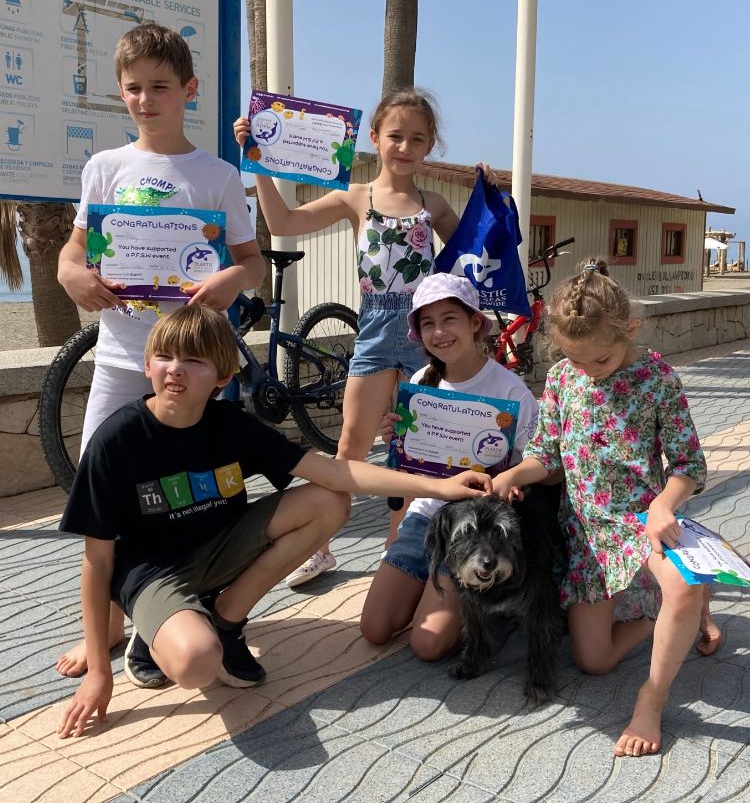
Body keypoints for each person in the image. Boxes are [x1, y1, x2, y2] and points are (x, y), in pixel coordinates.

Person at [56, 304, 492, 739]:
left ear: (223, 377)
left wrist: (440, 486)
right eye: (166, 357)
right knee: (195, 663)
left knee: (329, 501)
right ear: (147, 363)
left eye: (194, 361)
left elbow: (335, 472)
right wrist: (99, 671)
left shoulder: (230, 424)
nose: (176, 371)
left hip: (220, 548)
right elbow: (96, 563)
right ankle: (159, 631)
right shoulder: (117, 440)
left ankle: (225, 619)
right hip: (154, 572)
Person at [55, 21, 264, 679]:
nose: (146, 99)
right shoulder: (104, 168)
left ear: (189, 91)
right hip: (121, 359)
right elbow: (74, 249)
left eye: (161, 87)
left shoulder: (218, 175)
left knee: (201, 490)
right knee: (101, 489)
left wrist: (225, 282)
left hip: (199, 363)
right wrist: (70, 274)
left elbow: (251, 263)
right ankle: (107, 628)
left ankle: (198, 609)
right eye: (134, 89)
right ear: (121, 93)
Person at [234, 89, 498, 587]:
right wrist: (259, 167)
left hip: (427, 334)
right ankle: (319, 546)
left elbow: (476, 253)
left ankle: (398, 550)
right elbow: (285, 223)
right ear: (375, 138)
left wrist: (487, 194)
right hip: (376, 330)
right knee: (350, 446)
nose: (405, 146)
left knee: (415, 444)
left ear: (430, 145)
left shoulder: (433, 203)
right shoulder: (357, 197)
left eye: (418, 138)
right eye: (395, 136)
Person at [492, 259, 722, 758]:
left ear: (630, 330)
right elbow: (547, 454)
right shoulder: (561, 378)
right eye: (575, 360)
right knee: (594, 661)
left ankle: (652, 698)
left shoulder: (657, 376)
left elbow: (689, 464)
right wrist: (513, 474)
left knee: (679, 587)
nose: (587, 371)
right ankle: (674, 609)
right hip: (587, 535)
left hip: (645, 520)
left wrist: (664, 504)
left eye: (598, 361)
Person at [358, 273, 541, 660]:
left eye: (449, 319)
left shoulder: (511, 392)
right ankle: (438, 590)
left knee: (428, 645)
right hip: (425, 518)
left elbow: (535, 462)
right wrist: (396, 437)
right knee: (375, 629)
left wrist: (512, 479)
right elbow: (409, 465)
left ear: (475, 322)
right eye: (428, 323)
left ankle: (493, 603)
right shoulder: (423, 380)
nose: (439, 332)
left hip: (475, 528)